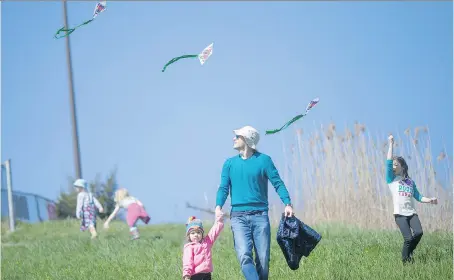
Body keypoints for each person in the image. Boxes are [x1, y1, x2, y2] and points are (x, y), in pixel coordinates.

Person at [215, 125, 294, 280]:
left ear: (247, 139)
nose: (234, 138)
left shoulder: (264, 161)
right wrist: (218, 207)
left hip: (260, 216)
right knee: (244, 255)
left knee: (263, 260)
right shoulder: (229, 164)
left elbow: (277, 183)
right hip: (238, 217)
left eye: (237, 136)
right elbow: (223, 188)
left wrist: (288, 203)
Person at [386, 134, 438, 264]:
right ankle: (406, 261)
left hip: (412, 214)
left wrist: (430, 200)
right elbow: (388, 162)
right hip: (400, 215)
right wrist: (391, 144)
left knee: (419, 232)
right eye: (392, 165)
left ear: (402, 167)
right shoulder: (391, 179)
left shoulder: (410, 182)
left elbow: (419, 196)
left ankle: (409, 254)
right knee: (408, 239)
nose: (393, 166)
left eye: (395, 164)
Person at [182, 214, 224, 280]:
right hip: (195, 275)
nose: (196, 235)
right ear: (188, 235)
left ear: (202, 234)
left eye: (198, 232)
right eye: (193, 233)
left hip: (207, 274)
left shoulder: (207, 242)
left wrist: (219, 221)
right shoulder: (189, 247)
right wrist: (187, 274)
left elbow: (214, 232)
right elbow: (187, 261)